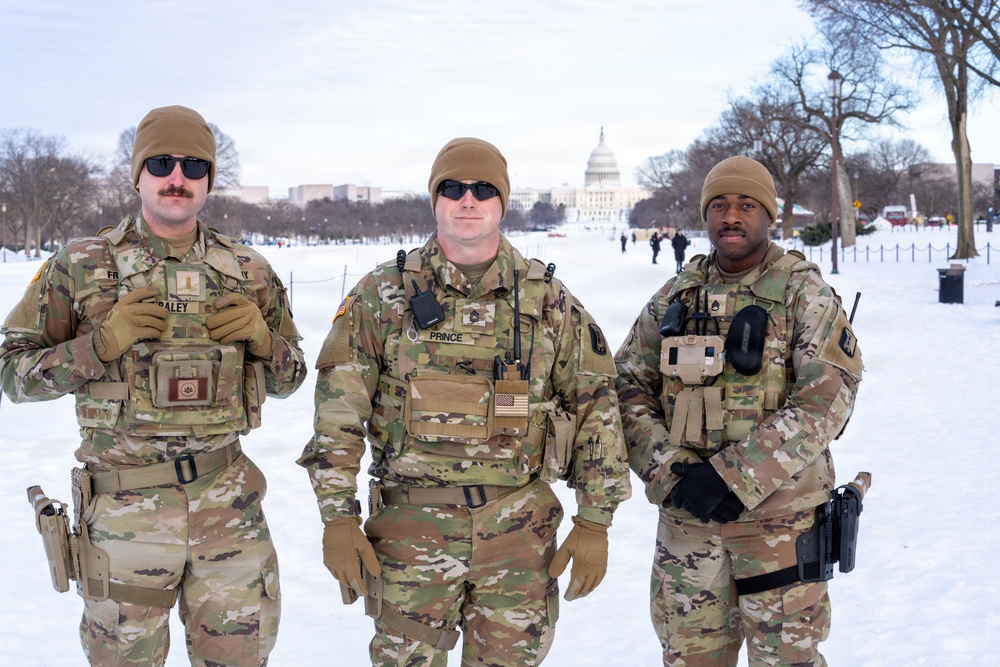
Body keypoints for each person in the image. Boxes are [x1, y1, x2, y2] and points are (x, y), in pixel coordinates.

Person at [298, 137, 631, 666]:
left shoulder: (549, 301)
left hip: (518, 537)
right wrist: (336, 516)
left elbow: (597, 411)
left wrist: (596, 520)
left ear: (502, 201)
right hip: (411, 536)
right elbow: (338, 415)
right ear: (435, 200)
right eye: (452, 188)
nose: (467, 199)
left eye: (483, 189)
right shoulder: (382, 296)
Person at [0, 105, 307, 667]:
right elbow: (12, 376)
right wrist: (100, 344)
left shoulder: (248, 270)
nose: (178, 178)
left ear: (209, 180)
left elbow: (292, 378)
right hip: (124, 514)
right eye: (162, 162)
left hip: (228, 509)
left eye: (194, 166)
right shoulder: (81, 266)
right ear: (137, 173)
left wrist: (267, 343)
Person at [614, 156, 863, 667]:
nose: (732, 216)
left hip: (781, 527)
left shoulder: (802, 292)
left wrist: (733, 476)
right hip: (689, 525)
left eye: (746, 205)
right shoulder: (676, 297)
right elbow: (624, 387)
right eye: (720, 206)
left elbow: (826, 398)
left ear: (768, 214)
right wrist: (671, 470)